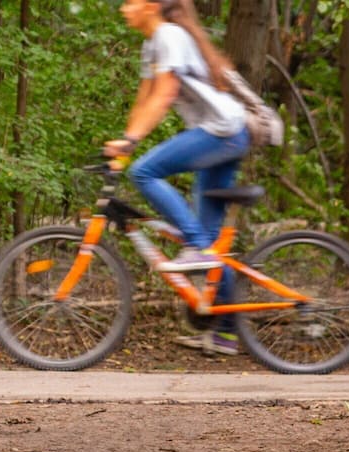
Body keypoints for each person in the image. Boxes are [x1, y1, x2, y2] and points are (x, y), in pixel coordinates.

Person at [103, 0, 256, 354]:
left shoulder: (170, 35)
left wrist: (132, 144)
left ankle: (196, 247)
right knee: (210, 244)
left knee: (146, 171)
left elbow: (165, 94)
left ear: (152, 6)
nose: (124, 7)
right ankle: (226, 333)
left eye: (130, 2)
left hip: (224, 132)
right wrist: (123, 146)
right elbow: (145, 99)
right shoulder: (153, 43)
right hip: (223, 134)